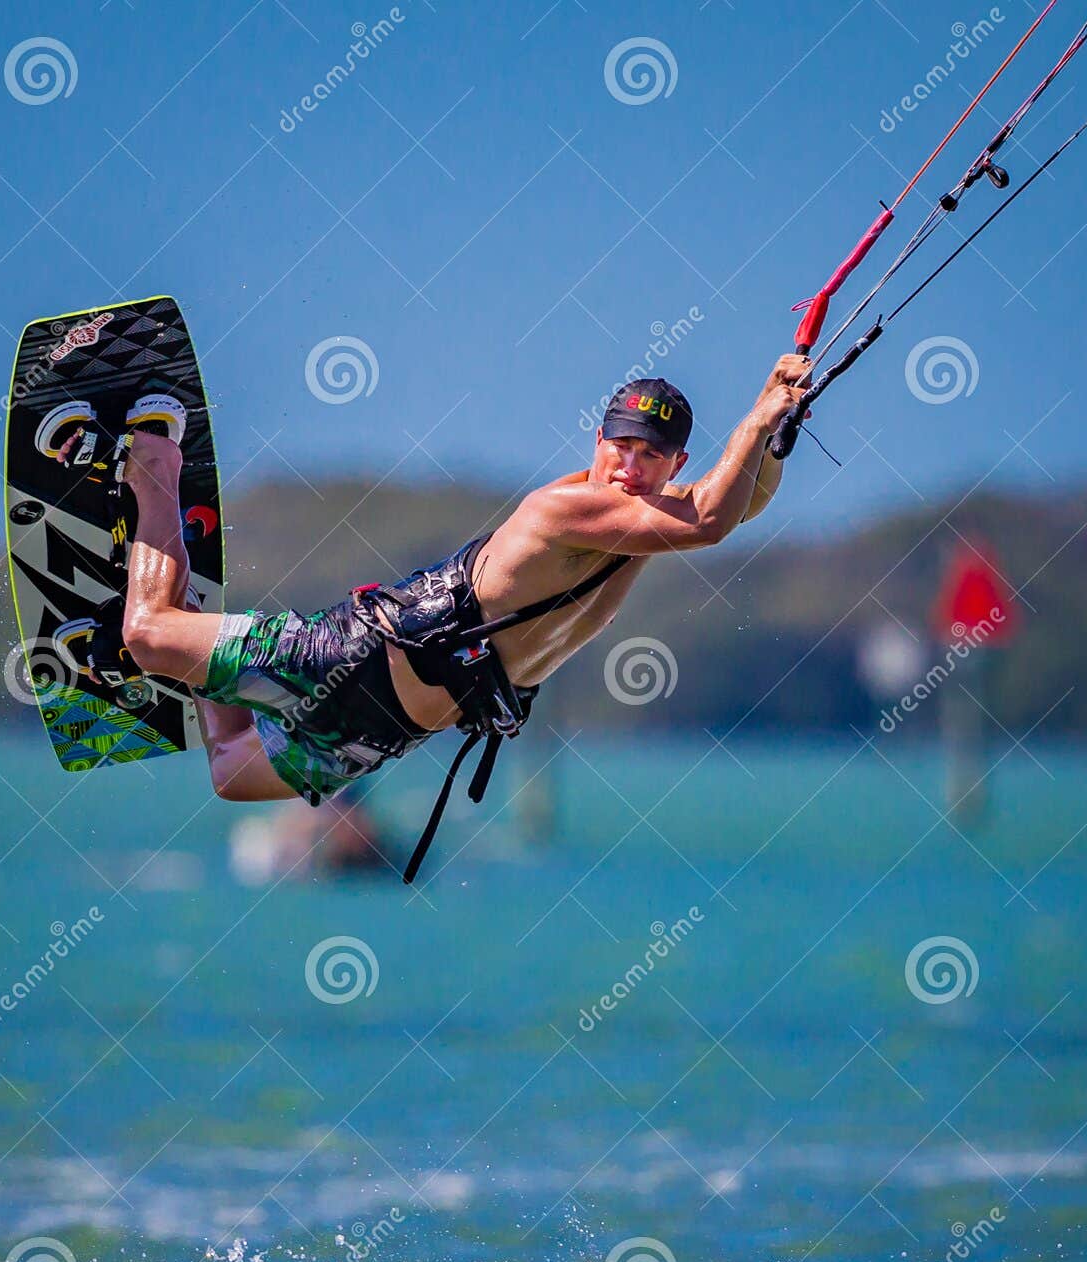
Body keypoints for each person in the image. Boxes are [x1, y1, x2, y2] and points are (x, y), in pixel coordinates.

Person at [115, 360, 808, 880]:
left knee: (232, 773)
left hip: (393, 726)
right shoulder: (567, 512)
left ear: (675, 463)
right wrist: (757, 416)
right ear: (597, 440)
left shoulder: (644, 523)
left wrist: (777, 436)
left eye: (650, 455)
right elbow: (711, 518)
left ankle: (192, 615)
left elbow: (743, 502)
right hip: (355, 655)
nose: (629, 466)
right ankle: (155, 460)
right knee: (145, 635)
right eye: (620, 446)